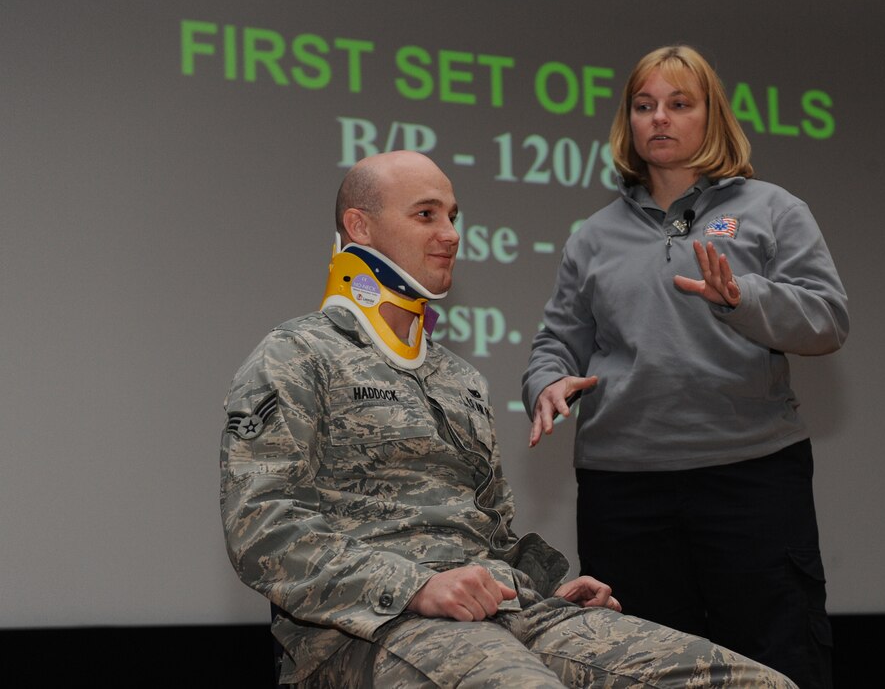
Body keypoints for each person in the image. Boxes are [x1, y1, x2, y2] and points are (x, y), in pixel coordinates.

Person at [220, 150, 796, 688]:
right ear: (360, 227)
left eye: (452, 215)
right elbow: (262, 528)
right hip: (364, 631)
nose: (450, 234)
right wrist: (415, 585)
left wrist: (551, 587)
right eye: (426, 215)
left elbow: (489, 534)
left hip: (507, 610)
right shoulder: (294, 356)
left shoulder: (461, 379)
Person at [522, 46, 849, 689]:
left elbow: (827, 320)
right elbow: (556, 341)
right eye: (644, 107)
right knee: (640, 666)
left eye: (679, 104)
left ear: (712, 117)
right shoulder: (592, 236)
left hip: (751, 476)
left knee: (777, 654)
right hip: (625, 487)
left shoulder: (773, 209)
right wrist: (547, 381)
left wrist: (743, 297)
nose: (659, 119)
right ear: (628, 123)